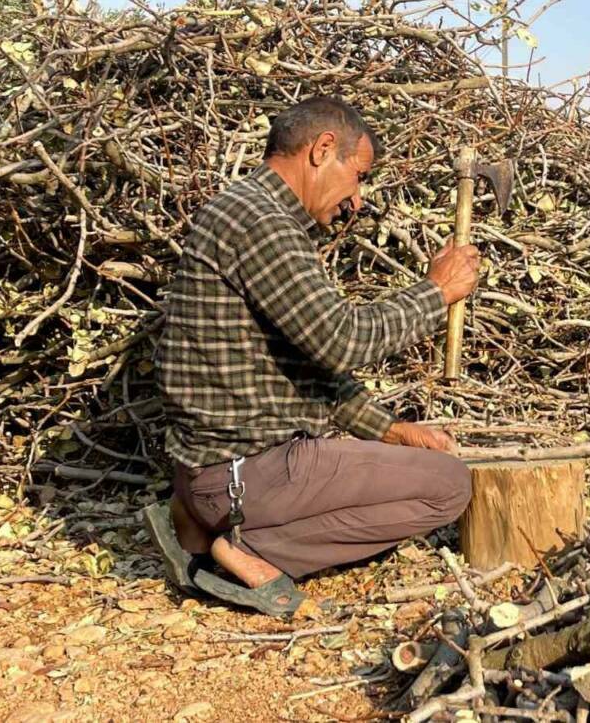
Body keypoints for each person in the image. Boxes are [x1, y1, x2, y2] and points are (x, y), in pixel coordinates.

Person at [144, 96, 477, 616]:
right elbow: (343, 340)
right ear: (323, 150)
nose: (358, 199)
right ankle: (237, 551)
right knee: (450, 487)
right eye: (359, 175)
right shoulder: (263, 224)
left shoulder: (248, 210)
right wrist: (437, 292)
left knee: (422, 467)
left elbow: (305, 365)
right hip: (243, 474)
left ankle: (195, 519)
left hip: (211, 474)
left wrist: (391, 429)